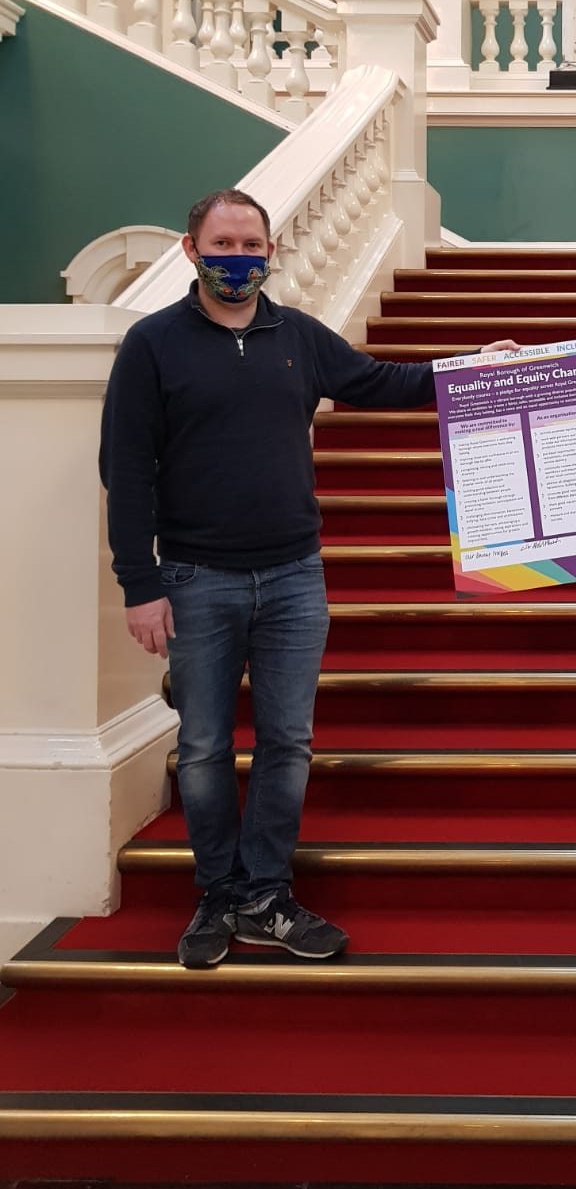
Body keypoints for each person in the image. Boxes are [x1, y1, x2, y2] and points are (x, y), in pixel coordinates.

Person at [100, 189, 516, 969]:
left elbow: (382, 383)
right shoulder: (152, 344)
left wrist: (472, 371)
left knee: (288, 744)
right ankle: (218, 893)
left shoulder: (299, 337)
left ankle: (265, 895)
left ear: (270, 252)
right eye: (222, 244)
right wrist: (139, 582)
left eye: (252, 245)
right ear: (191, 251)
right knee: (201, 747)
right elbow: (126, 471)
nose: (239, 258)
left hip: (295, 576)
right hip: (196, 579)